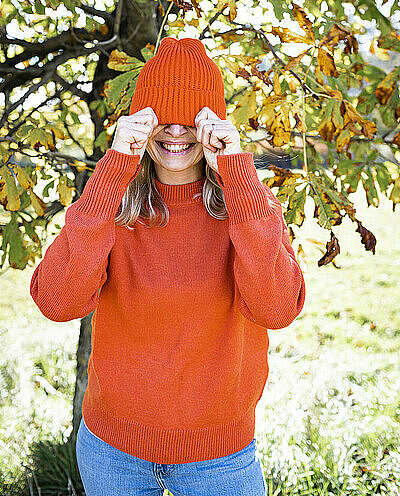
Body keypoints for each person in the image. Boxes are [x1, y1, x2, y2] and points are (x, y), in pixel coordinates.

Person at [30, 36, 306, 496]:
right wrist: (114, 169)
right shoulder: (109, 206)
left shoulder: (247, 207)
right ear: (139, 124)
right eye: (162, 120)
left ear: (212, 127)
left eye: (190, 122)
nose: (176, 133)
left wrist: (237, 173)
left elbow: (277, 309)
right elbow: (58, 302)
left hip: (219, 459)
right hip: (113, 453)